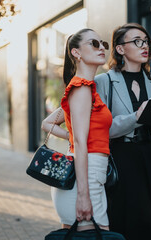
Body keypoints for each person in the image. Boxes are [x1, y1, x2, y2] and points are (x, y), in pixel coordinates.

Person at [94, 23, 151, 240]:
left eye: (146, 41)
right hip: (122, 159)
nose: (144, 46)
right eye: (137, 41)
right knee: (128, 223)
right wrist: (136, 117)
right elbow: (103, 129)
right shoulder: (104, 81)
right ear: (120, 49)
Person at [42, 28, 112, 231]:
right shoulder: (81, 88)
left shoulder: (86, 89)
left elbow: (47, 123)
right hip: (85, 177)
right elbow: (81, 142)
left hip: (89, 174)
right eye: (94, 43)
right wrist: (83, 195)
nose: (101, 48)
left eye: (103, 44)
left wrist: (71, 137)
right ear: (76, 52)